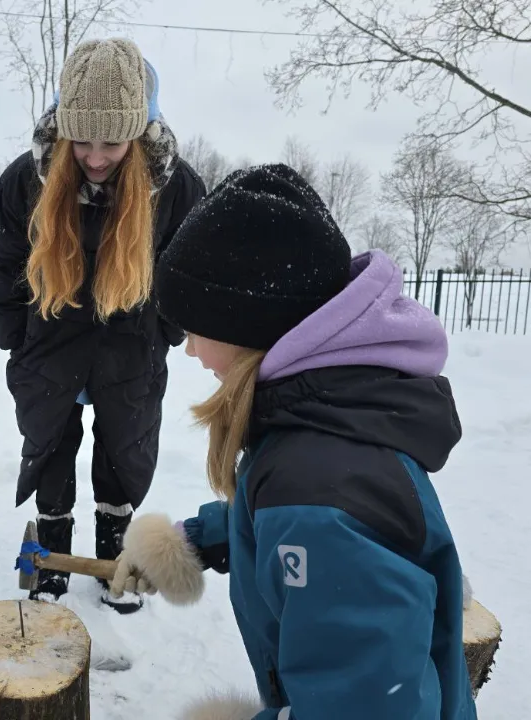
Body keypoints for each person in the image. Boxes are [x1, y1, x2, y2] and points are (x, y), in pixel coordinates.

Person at [107, 164, 478, 718]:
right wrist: (195, 540)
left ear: (246, 328)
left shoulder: (316, 501)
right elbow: (293, 510)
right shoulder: (324, 423)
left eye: (194, 330)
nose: (188, 351)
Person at [0, 37, 206, 613]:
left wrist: (166, 333)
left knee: (124, 447)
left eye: (113, 141)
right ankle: (51, 553)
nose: (97, 156)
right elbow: (2, 258)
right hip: (49, 337)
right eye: (82, 140)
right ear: (63, 131)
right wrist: (16, 334)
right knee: (49, 441)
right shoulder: (25, 179)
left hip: (131, 344)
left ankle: (114, 553)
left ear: (140, 132)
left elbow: (190, 267)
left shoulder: (175, 186)